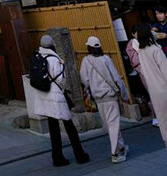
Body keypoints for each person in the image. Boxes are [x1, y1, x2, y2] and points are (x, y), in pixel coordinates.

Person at [30, 34, 90, 167]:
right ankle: (79, 154)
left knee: (53, 128)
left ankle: (57, 157)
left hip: (44, 96)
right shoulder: (54, 59)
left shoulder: (39, 57)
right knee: (69, 125)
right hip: (56, 96)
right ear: (52, 45)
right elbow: (61, 80)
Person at [80, 35, 129, 163]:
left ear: (89, 47)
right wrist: (124, 94)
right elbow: (116, 77)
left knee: (108, 125)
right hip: (110, 96)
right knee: (113, 124)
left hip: (98, 98)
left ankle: (120, 147)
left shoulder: (86, 60)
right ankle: (116, 152)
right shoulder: (106, 59)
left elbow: (84, 79)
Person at [136, 23, 167, 148]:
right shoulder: (155, 50)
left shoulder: (141, 51)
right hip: (164, 87)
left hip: (153, 89)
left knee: (162, 118)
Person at [126, 26, 158, 125]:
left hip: (155, 71)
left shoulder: (147, 42)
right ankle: (156, 117)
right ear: (133, 34)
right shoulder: (132, 44)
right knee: (154, 94)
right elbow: (135, 61)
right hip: (145, 72)